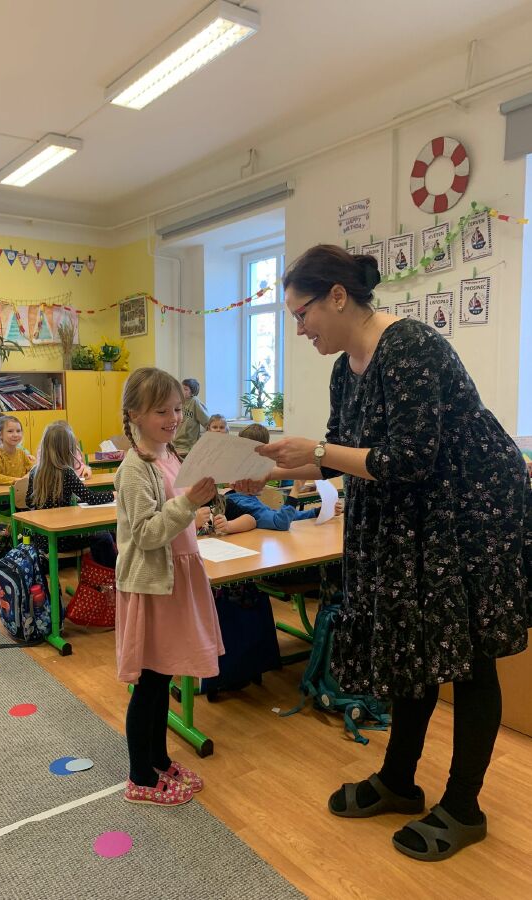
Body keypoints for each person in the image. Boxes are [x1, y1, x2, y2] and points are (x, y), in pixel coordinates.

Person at [238, 244, 531, 862]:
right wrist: (274, 473)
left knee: (470, 659)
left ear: (337, 296)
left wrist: (318, 451)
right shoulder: (345, 369)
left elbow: (410, 459)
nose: (300, 330)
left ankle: (465, 806)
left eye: (302, 314)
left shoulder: (411, 347)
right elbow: (342, 460)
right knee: (412, 646)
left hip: (469, 517)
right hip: (413, 520)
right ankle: (399, 781)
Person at [115, 367, 223, 807]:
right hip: (153, 586)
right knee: (150, 683)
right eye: (161, 411)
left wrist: (203, 500)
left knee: (164, 679)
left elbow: (180, 510)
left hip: (176, 579)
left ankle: (158, 759)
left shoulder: (170, 455)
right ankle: (140, 775)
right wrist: (189, 503)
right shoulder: (134, 469)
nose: (174, 418)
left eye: (177, 409)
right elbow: (145, 533)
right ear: (134, 415)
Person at [196, 424, 342, 535]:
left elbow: (279, 514)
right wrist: (296, 490)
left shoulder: (246, 499)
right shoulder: (243, 503)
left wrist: (317, 512)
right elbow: (280, 522)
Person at [26, 421, 115, 564]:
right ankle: (110, 575)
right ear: (67, 449)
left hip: (41, 539)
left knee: (103, 535)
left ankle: (98, 572)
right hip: (63, 538)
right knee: (105, 537)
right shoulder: (66, 472)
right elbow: (90, 498)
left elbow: (29, 501)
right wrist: (113, 495)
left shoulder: (35, 472)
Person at [0, 416, 35, 485]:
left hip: (19, 490)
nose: (15, 435)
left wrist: (34, 465)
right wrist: (18, 480)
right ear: (0, 434)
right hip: (2, 491)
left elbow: (34, 470)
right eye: (10, 431)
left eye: (18, 431)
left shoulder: (21, 453)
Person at [173, 377, 209, 455]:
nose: (181, 391)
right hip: (175, 444)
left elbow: (208, 422)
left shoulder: (195, 402)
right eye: (181, 388)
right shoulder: (178, 401)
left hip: (188, 446)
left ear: (192, 392)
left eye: (185, 389)